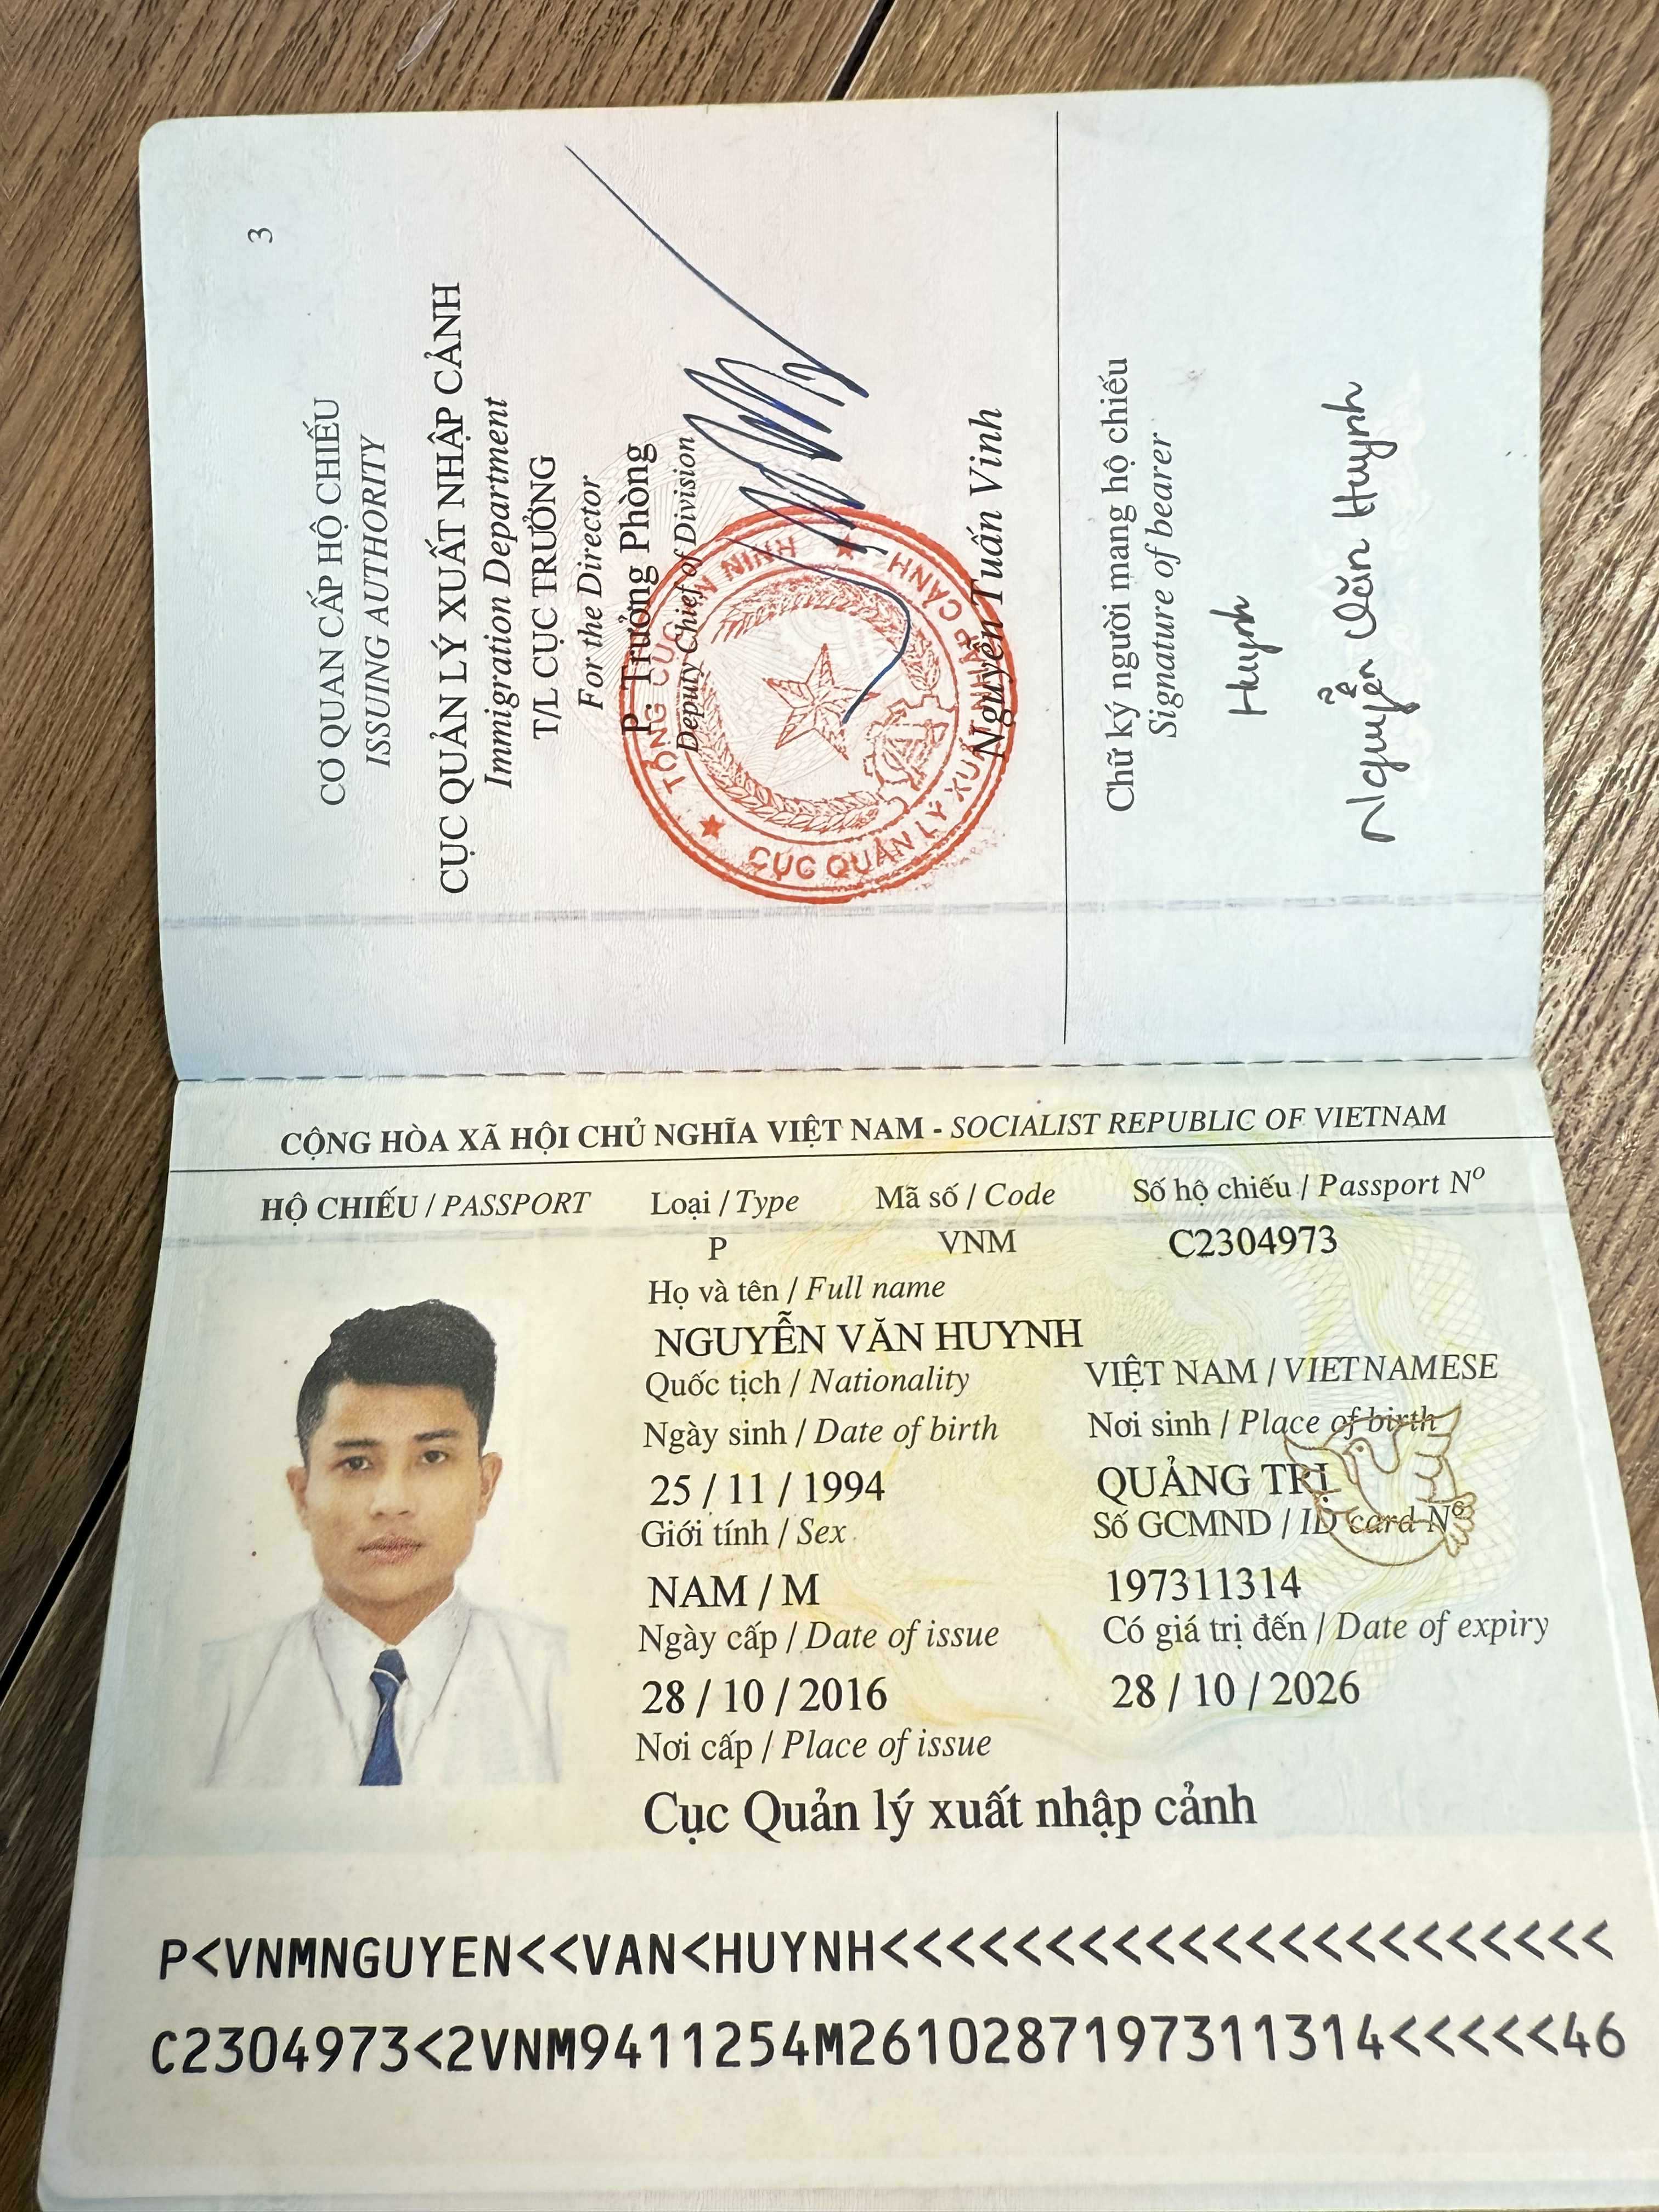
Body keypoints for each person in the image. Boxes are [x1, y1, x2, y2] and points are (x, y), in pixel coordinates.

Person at [199, 1300, 563, 1788]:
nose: (392, 1503)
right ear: (303, 1494)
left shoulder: (557, 1684)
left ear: (485, 1484)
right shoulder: (214, 1695)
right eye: (356, 1464)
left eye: (432, 1457)